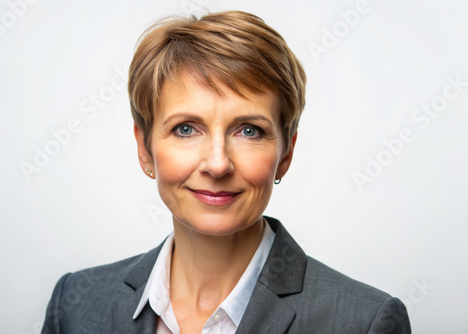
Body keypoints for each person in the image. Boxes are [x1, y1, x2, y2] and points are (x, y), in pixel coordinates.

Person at [41, 10, 411, 334]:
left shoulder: (365, 322)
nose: (218, 164)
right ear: (144, 148)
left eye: (249, 130)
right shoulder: (74, 307)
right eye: (186, 128)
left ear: (286, 153)